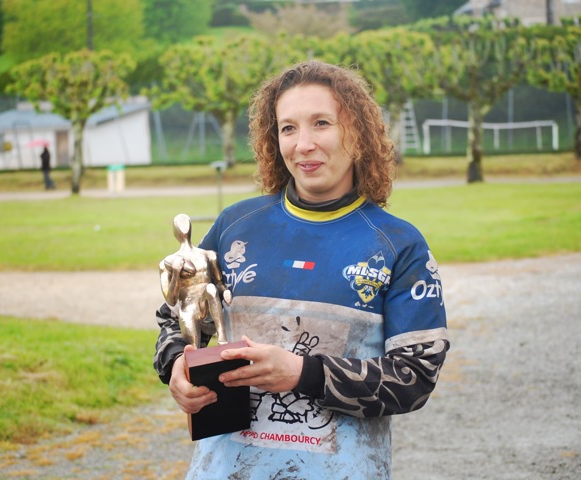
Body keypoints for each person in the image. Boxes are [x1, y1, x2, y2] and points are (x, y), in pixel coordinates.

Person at [153, 60, 450, 479]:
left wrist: (302, 373)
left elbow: (415, 376)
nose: (303, 144)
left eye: (321, 123)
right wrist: (176, 368)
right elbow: (177, 320)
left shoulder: (398, 244)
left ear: (358, 134)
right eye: (288, 128)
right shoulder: (234, 226)